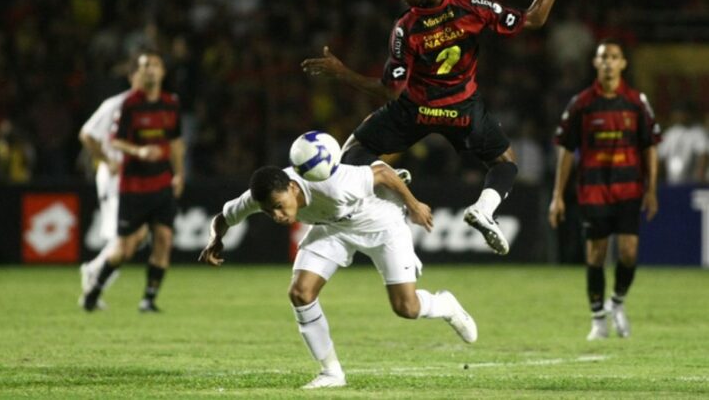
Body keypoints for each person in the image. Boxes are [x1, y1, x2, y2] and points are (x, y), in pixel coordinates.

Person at [301, 0, 582, 256]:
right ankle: (484, 209)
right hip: (463, 110)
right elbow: (535, 18)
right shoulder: (472, 7)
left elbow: (391, 91)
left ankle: (387, 183)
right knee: (505, 163)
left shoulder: (406, 27)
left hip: (413, 110)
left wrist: (341, 72)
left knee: (353, 152)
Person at [199, 160, 477, 389]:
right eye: (269, 211)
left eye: (279, 205)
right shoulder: (259, 196)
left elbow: (381, 171)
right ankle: (331, 373)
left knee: (406, 307)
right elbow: (222, 218)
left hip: (381, 225)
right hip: (333, 230)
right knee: (300, 292)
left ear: (293, 187)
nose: (277, 215)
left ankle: (446, 305)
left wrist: (414, 205)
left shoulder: (330, 181)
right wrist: (215, 240)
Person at [548, 38, 661, 340]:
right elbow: (566, 149)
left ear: (623, 63)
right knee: (596, 255)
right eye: (603, 57)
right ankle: (598, 319)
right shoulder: (582, 103)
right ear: (596, 63)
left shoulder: (637, 102)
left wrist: (651, 190)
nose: (609, 61)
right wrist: (558, 196)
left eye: (614, 56)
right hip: (594, 189)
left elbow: (650, 146)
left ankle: (617, 303)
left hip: (628, 189)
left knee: (628, 252)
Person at [81, 50, 185, 313]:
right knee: (125, 247)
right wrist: (129, 154)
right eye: (144, 66)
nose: (149, 70)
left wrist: (179, 173)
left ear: (162, 72)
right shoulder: (126, 104)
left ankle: (148, 300)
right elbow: (104, 137)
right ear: (135, 74)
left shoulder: (171, 104)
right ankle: (94, 284)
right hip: (131, 184)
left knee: (164, 238)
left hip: (161, 183)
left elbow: (175, 142)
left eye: (154, 65)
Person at [77, 63, 149, 309]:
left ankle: (95, 271)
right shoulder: (115, 105)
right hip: (115, 179)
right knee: (127, 237)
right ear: (131, 77)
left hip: (137, 179)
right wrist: (106, 160)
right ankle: (94, 277)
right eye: (142, 72)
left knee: (137, 235)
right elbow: (87, 134)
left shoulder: (151, 107)